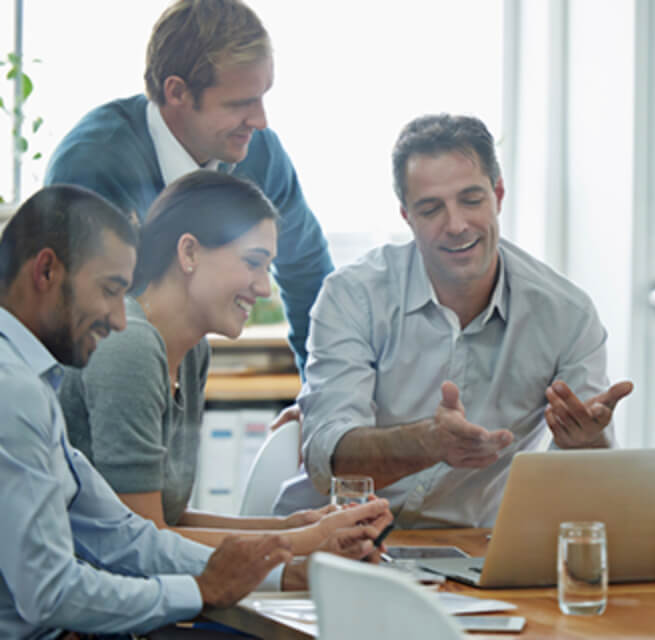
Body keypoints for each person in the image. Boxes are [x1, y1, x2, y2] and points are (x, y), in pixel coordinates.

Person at [274, 114, 634, 528]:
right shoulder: (353, 296)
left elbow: (585, 487)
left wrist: (589, 441)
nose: (457, 225)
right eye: (431, 209)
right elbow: (326, 457)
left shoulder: (566, 315)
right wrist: (427, 443)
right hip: (333, 537)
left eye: (471, 199)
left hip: (470, 553)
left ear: (498, 195)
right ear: (407, 216)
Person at [0, 184, 294, 638]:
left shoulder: (34, 379)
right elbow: (51, 593)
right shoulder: (12, 390)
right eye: (109, 290)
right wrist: (200, 590)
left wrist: (272, 571)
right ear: (46, 271)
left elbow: (121, 534)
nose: (120, 319)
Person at [58, 170, 391, 561]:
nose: (265, 287)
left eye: (267, 268)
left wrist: (294, 526)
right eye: (254, 262)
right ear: (189, 253)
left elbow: (168, 517)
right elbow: (141, 544)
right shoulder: (129, 344)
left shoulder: (192, 352)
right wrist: (306, 542)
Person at [44, 0, 331, 374]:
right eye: (239, 103)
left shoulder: (259, 155)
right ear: (177, 92)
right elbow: (89, 332)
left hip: (180, 375)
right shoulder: (93, 165)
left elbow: (308, 274)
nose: (260, 120)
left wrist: (325, 400)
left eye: (262, 97)